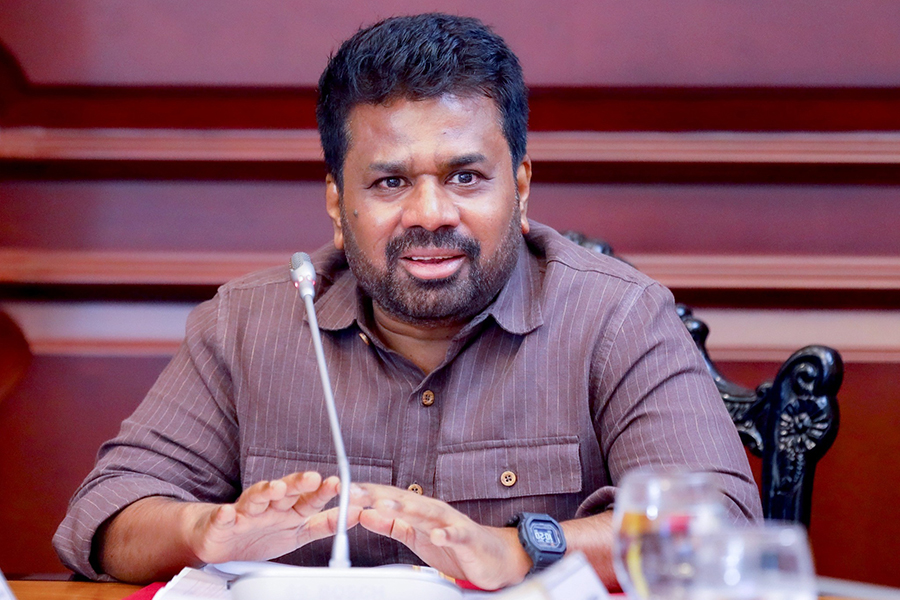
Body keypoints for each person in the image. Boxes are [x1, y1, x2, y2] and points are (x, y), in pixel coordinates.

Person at [53, 13, 761, 589]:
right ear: (337, 201)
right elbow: (104, 517)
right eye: (390, 183)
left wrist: (520, 550)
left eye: (466, 177)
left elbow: (721, 529)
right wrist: (201, 532)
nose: (430, 213)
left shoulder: (617, 317)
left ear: (520, 186)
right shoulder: (247, 325)